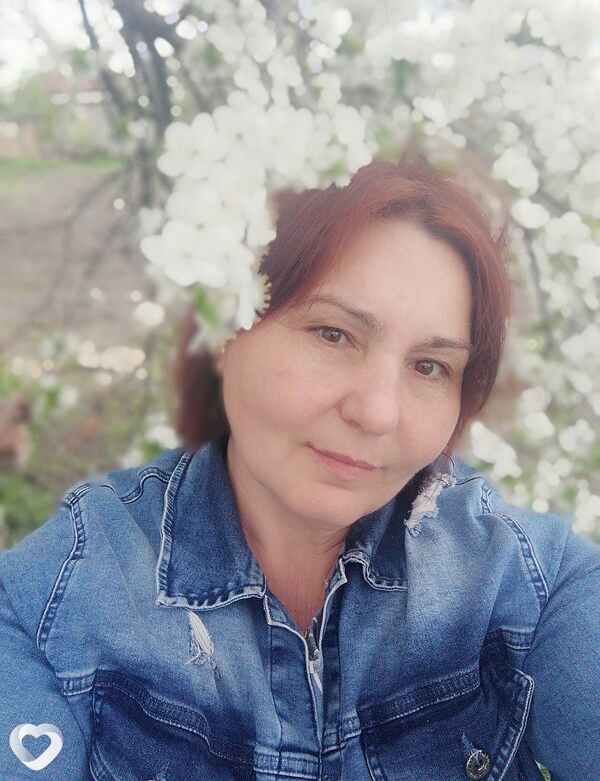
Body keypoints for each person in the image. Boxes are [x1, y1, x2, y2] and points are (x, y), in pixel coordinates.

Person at [0, 157, 598, 781]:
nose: (376, 412)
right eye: (333, 334)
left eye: (429, 366)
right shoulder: (59, 597)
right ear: (225, 331)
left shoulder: (526, 579)